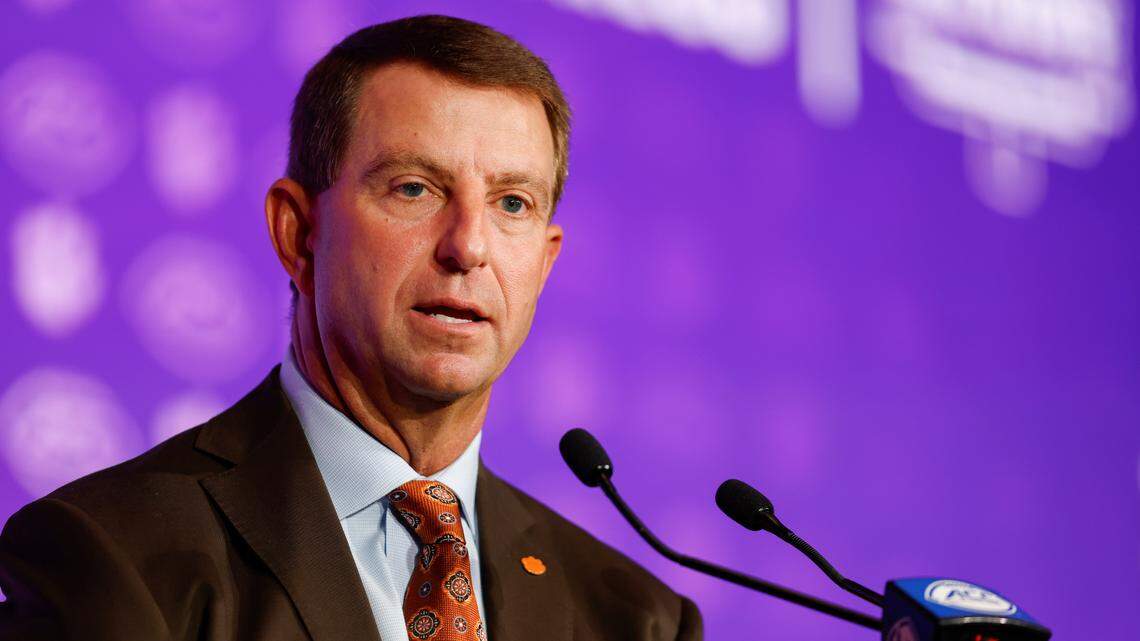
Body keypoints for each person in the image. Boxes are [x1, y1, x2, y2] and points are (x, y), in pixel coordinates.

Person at [0, 15, 702, 641]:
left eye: (511, 202)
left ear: (544, 264)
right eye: (414, 188)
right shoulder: (116, 554)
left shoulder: (635, 617)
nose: (469, 247)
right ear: (299, 233)